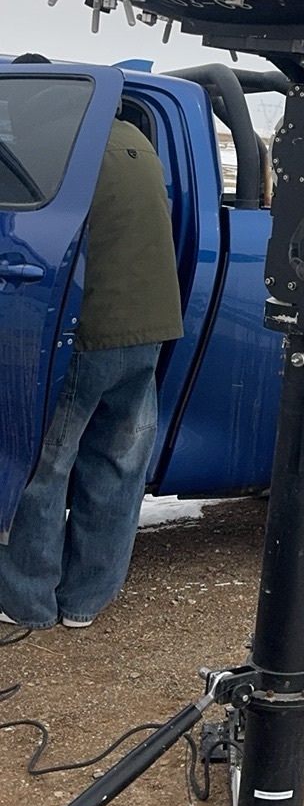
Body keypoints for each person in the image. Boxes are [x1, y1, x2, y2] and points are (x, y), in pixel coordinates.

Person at [0, 87, 184, 631]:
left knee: (42, 463)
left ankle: (27, 602)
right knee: (117, 464)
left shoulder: (61, 146)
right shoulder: (136, 141)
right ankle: (85, 601)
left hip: (87, 329)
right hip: (147, 329)